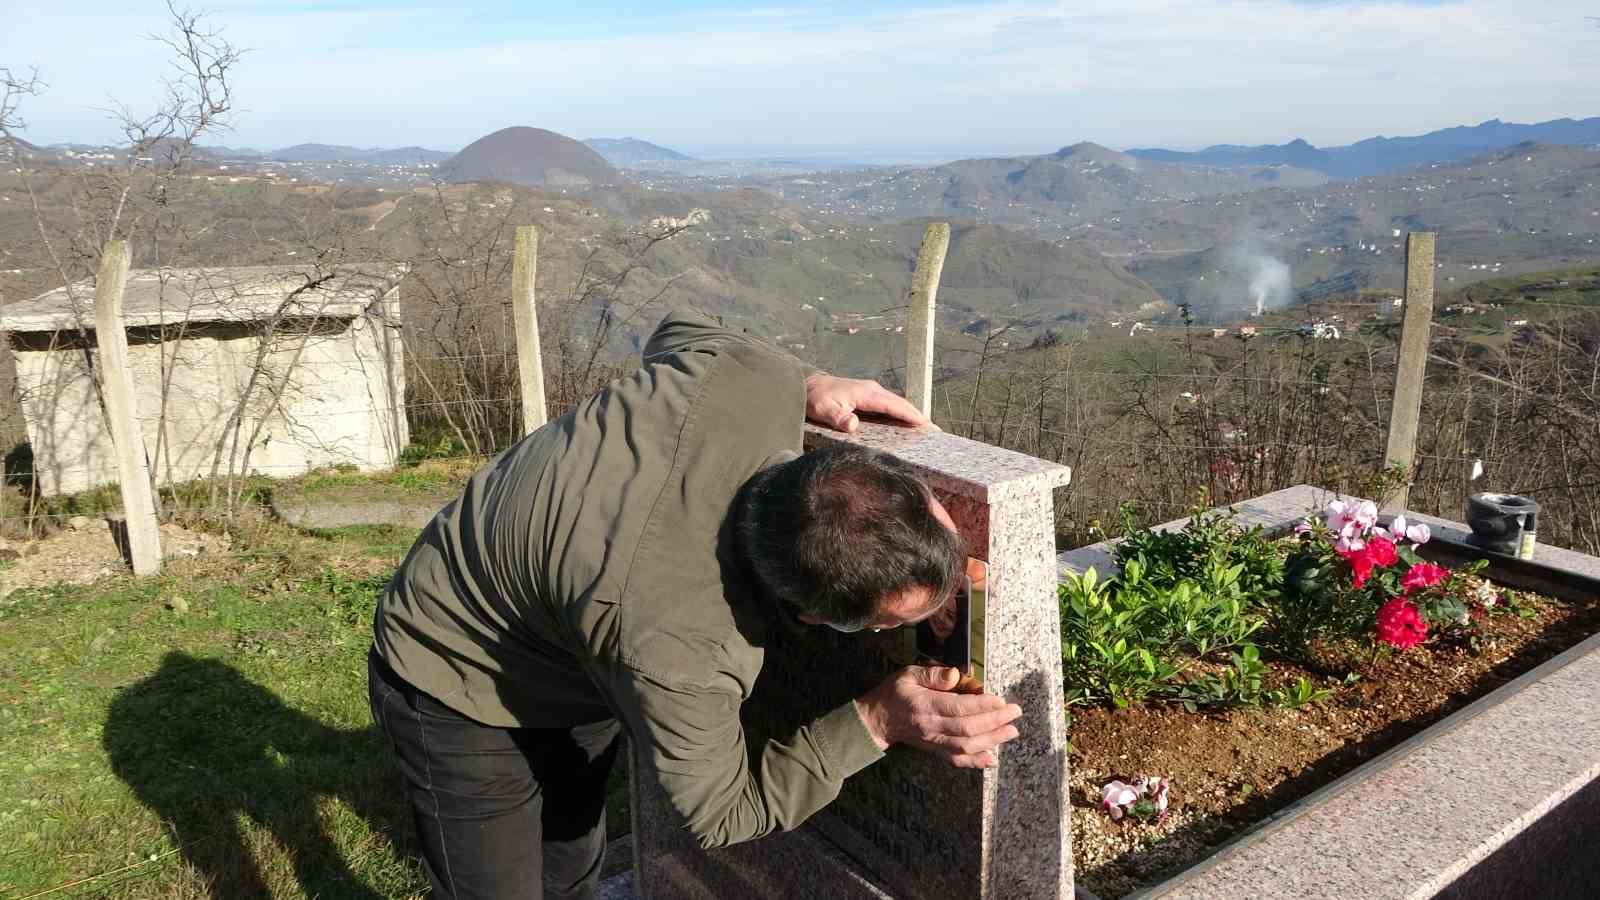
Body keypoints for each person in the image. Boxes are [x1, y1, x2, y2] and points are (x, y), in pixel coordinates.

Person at [368, 308, 1024, 899]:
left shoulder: (755, 378)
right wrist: (877, 721)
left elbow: (677, 331)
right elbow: (721, 813)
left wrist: (811, 379)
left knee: (567, 865)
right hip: (453, 664)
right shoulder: (681, 648)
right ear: (813, 617)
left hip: (567, 628)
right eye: (897, 624)